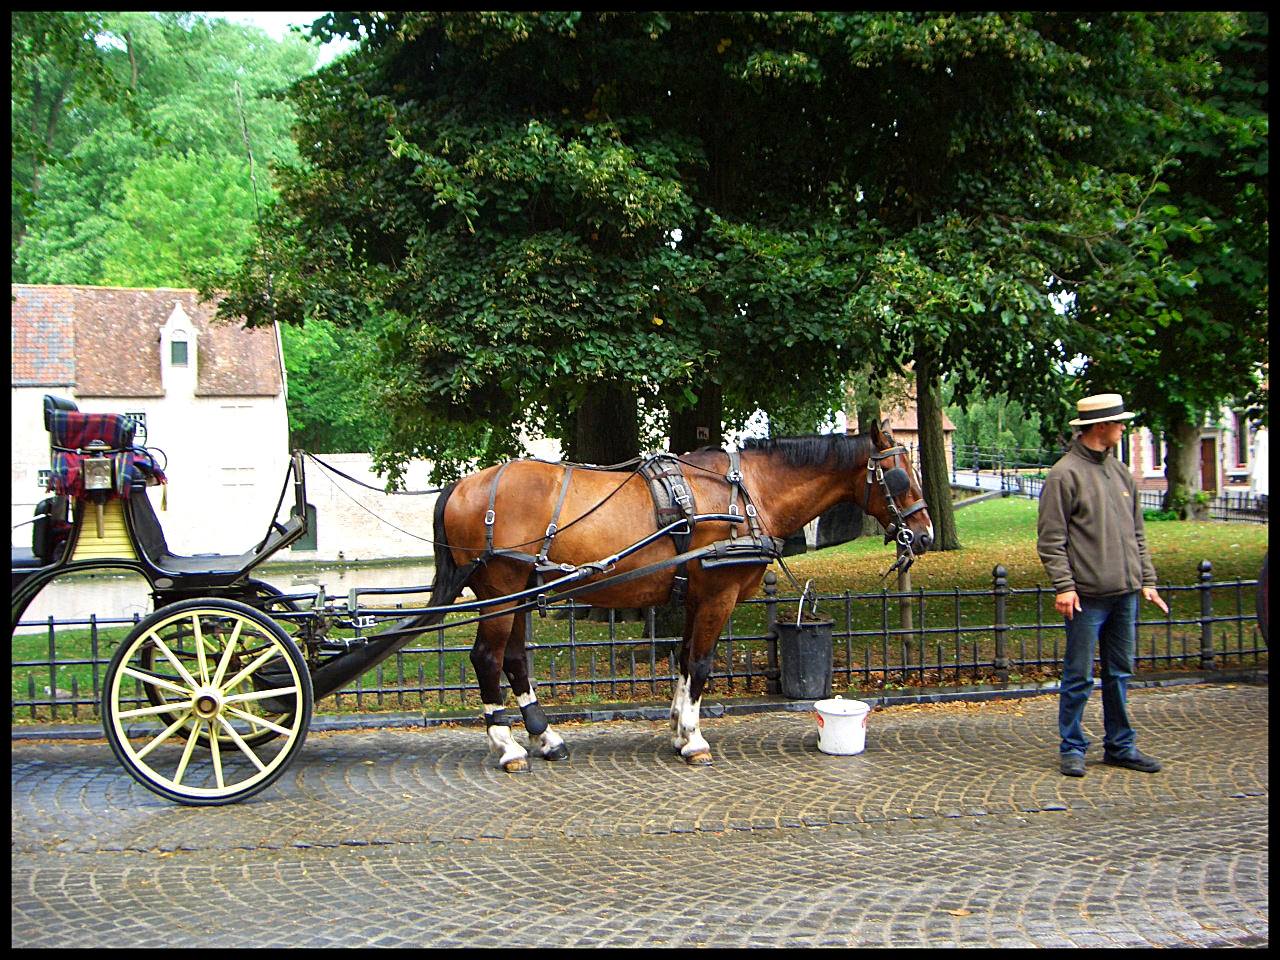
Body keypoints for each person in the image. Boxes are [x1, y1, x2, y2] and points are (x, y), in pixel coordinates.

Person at [1037, 393, 1169, 777]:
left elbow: (1137, 534)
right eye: (1120, 422)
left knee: (1120, 673)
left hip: (1125, 594)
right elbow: (1051, 540)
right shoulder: (1064, 475)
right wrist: (1064, 586)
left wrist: (1147, 580)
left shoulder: (1121, 472)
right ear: (1101, 426)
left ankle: (1120, 746)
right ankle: (1073, 747)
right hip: (1087, 599)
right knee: (1078, 675)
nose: (1124, 427)